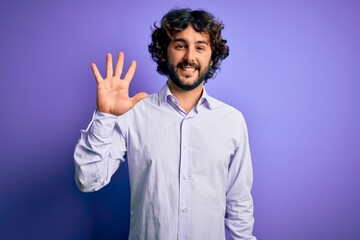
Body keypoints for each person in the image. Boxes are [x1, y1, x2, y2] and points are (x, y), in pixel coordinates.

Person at [74, 8, 256, 240]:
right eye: (180, 45)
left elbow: (239, 203)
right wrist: (105, 116)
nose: (190, 57)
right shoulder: (134, 114)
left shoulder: (232, 121)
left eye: (200, 47)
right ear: (163, 53)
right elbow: (87, 181)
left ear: (211, 58)